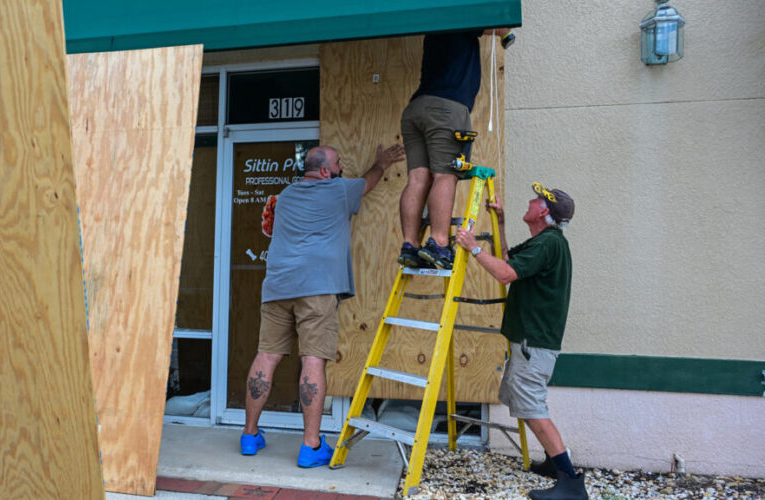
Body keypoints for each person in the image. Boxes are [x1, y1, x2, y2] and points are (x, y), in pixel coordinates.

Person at [241, 143, 405, 468]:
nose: (343, 166)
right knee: (313, 361)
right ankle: (311, 446)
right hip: (316, 287)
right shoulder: (339, 190)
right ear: (327, 172)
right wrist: (381, 162)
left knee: (267, 355)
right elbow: (369, 181)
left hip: (277, 285)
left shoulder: (285, 195)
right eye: (339, 163)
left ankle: (249, 435)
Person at [456, 182, 587, 500]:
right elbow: (508, 261)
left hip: (534, 344)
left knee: (533, 407)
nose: (530, 200)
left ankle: (571, 484)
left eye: (537, 199)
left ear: (544, 211)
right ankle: (556, 465)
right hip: (531, 342)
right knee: (526, 404)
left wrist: (473, 248)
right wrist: (499, 223)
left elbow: (504, 274)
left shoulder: (548, 244)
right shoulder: (546, 242)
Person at [398, 28, 512, 270]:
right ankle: (438, 242)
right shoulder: (464, 15)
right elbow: (500, 24)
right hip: (446, 109)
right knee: (444, 175)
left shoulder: (436, 21)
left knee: (417, 178)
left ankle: (409, 244)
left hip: (416, 108)